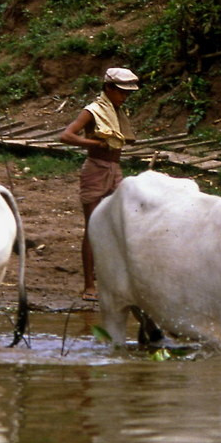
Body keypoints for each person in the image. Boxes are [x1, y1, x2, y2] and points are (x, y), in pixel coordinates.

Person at [59, 67, 139, 301]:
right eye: (121, 92)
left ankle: (116, 279)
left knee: (120, 224)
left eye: (127, 94)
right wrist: (93, 143)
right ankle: (89, 285)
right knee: (93, 227)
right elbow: (66, 136)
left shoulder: (116, 111)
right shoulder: (93, 111)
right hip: (95, 170)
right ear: (108, 88)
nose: (124, 97)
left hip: (115, 170)